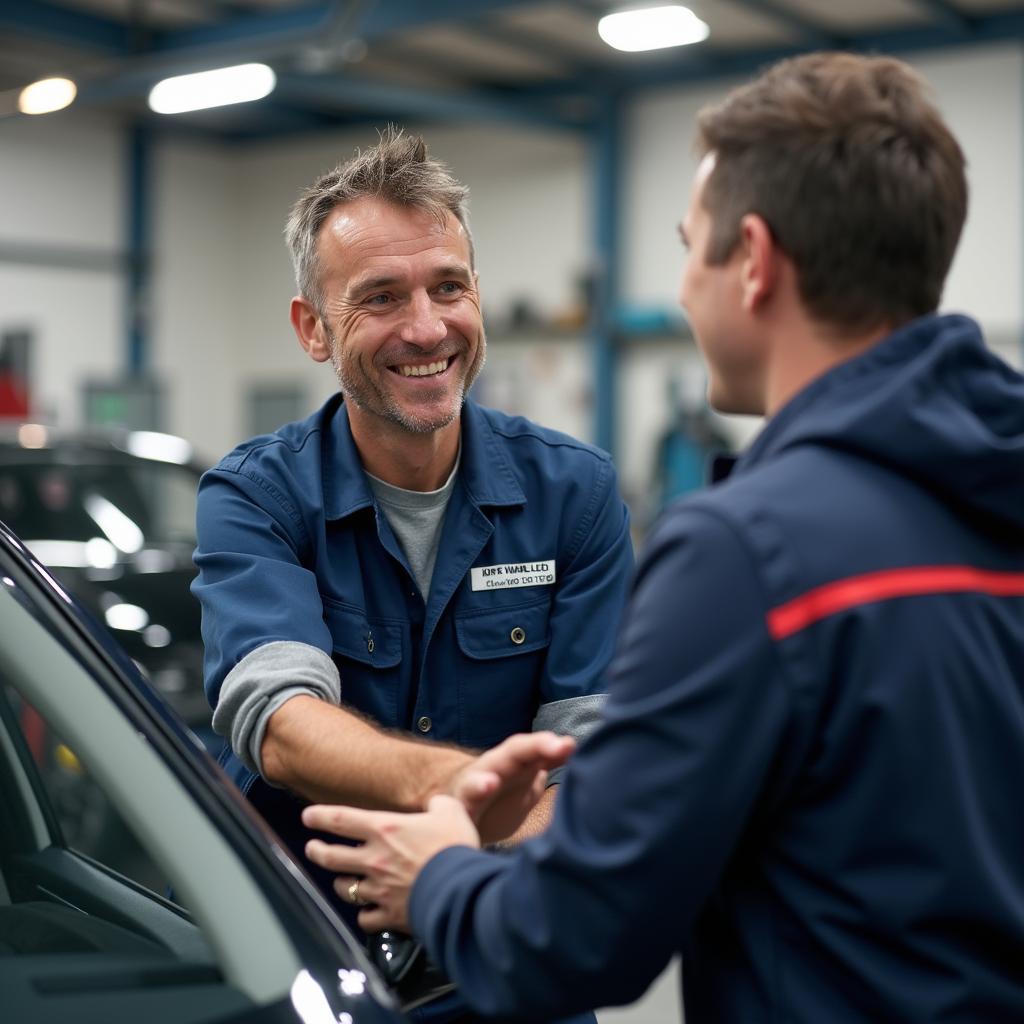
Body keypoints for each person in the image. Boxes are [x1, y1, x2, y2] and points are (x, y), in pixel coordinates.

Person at [301, 52, 1024, 1023]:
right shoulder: (990, 494)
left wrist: (440, 876)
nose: (683, 290)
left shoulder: (750, 555)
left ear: (755, 263)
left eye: (692, 248)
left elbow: (578, 938)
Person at [191, 130, 633, 1022]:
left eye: (449, 288)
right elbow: (277, 722)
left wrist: (465, 848)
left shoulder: (574, 494)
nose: (426, 328)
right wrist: (466, 803)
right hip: (313, 973)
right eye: (380, 298)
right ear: (313, 328)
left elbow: (595, 770)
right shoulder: (255, 495)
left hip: (514, 969)